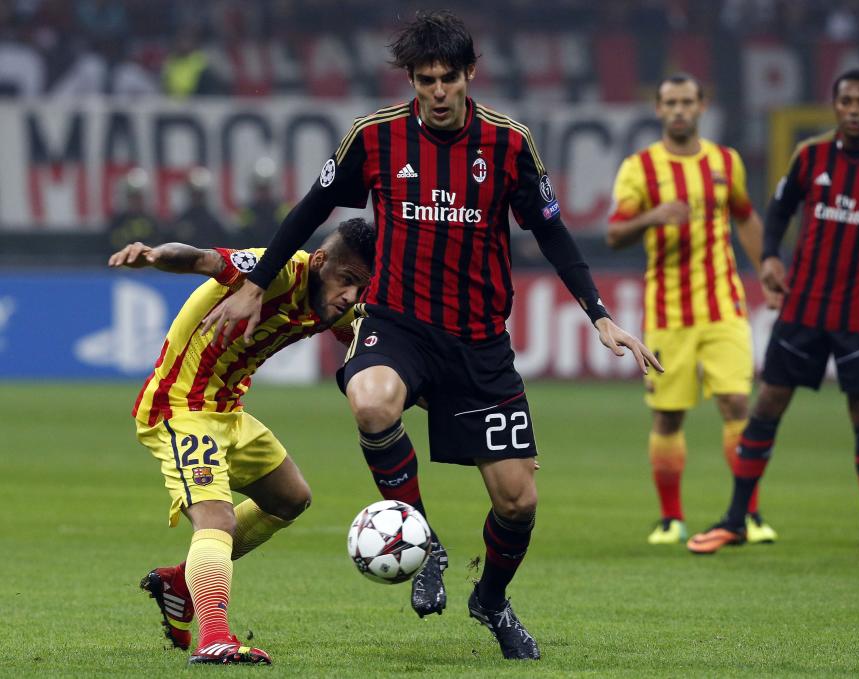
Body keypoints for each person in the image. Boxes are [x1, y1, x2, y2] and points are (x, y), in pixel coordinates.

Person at [199, 10, 662, 661]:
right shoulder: (375, 135)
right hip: (397, 324)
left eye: (449, 78)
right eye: (425, 80)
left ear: (470, 74)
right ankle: (426, 542)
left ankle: (491, 599)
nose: (438, 92)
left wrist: (598, 311)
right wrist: (257, 280)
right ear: (411, 80)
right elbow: (311, 207)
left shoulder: (509, 143)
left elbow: (551, 230)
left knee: (517, 500)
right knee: (371, 400)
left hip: (478, 342)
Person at [687, 69, 859, 558]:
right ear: (834, 106)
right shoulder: (810, 156)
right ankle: (735, 520)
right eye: (846, 100)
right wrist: (770, 254)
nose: (854, 109)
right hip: (803, 306)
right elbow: (778, 207)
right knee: (767, 403)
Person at [109, 218, 375, 664]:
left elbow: (370, 352)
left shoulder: (337, 307)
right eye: (347, 280)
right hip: (181, 406)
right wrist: (154, 254)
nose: (350, 295)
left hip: (227, 411)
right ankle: (214, 635)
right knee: (216, 520)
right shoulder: (280, 270)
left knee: (290, 498)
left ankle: (179, 582)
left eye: (360, 288)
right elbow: (201, 259)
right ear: (322, 261)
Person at [607, 73, 779, 547]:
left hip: (724, 305)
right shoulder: (639, 168)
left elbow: (744, 215)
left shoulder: (727, 162)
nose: (679, 110)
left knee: (738, 404)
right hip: (667, 314)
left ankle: (747, 514)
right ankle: (671, 519)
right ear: (659, 109)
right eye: (670, 103)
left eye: (687, 101)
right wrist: (651, 217)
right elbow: (615, 233)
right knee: (668, 416)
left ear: (702, 105)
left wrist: (766, 266)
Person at [234, 157, 291, 247]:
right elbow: (240, 240)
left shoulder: (283, 211)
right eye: (260, 188)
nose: (263, 193)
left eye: (266, 188)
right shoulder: (246, 213)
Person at [170, 167, 231, 248]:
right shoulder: (180, 223)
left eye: (200, 194)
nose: (197, 197)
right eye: (194, 193)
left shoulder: (214, 224)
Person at [107, 167, 164, 252]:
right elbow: (111, 248)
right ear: (126, 197)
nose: (135, 201)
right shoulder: (117, 222)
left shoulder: (153, 222)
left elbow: (159, 246)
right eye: (132, 197)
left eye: (138, 197)